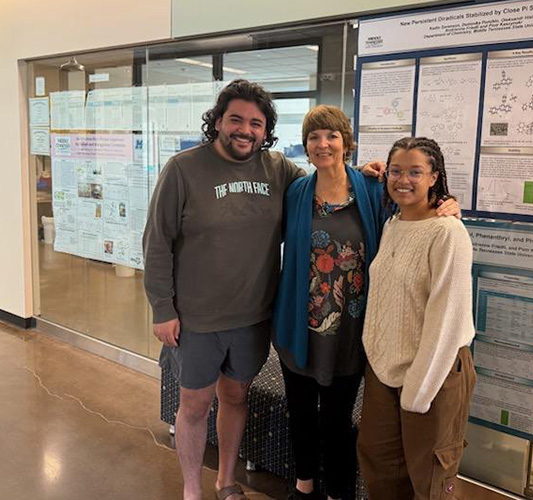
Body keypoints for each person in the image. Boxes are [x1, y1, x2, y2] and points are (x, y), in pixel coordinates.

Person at [143, 81, 382, 500]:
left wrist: (364, 174)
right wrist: (162, 307)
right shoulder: (183, 169)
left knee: (235, 399)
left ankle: (227, 481)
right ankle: (192, 489)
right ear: (218, 122)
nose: (245, 130)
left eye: (256, 123)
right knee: (195, 406)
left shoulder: (277, 170)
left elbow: (325, 181)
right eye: (235, 119)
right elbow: (157, 242)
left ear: (265, 130)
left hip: (254, 318)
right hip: (197, 319)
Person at [273, 112, 461, 500]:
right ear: (305, 146)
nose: (322, 144)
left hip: (351, 332)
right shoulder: (296, 192)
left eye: (331, 136)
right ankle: (304, 486)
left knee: (339, 421)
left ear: (346, 141)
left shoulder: (374, 191)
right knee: (303, 415)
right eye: (314, 137)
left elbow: (415, 210)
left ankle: (338, 492)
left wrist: (448, 203)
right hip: (300, 326)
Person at [357, 137, 476, 500]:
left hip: (432, 375)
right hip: (384, 370)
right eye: (395, 171)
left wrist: (418, 391)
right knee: (380, 467)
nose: (403, 180)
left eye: (415, 172)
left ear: (434, 177)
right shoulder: (393, 223)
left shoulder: (448, 232)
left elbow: (447, 320)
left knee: (430, 480)